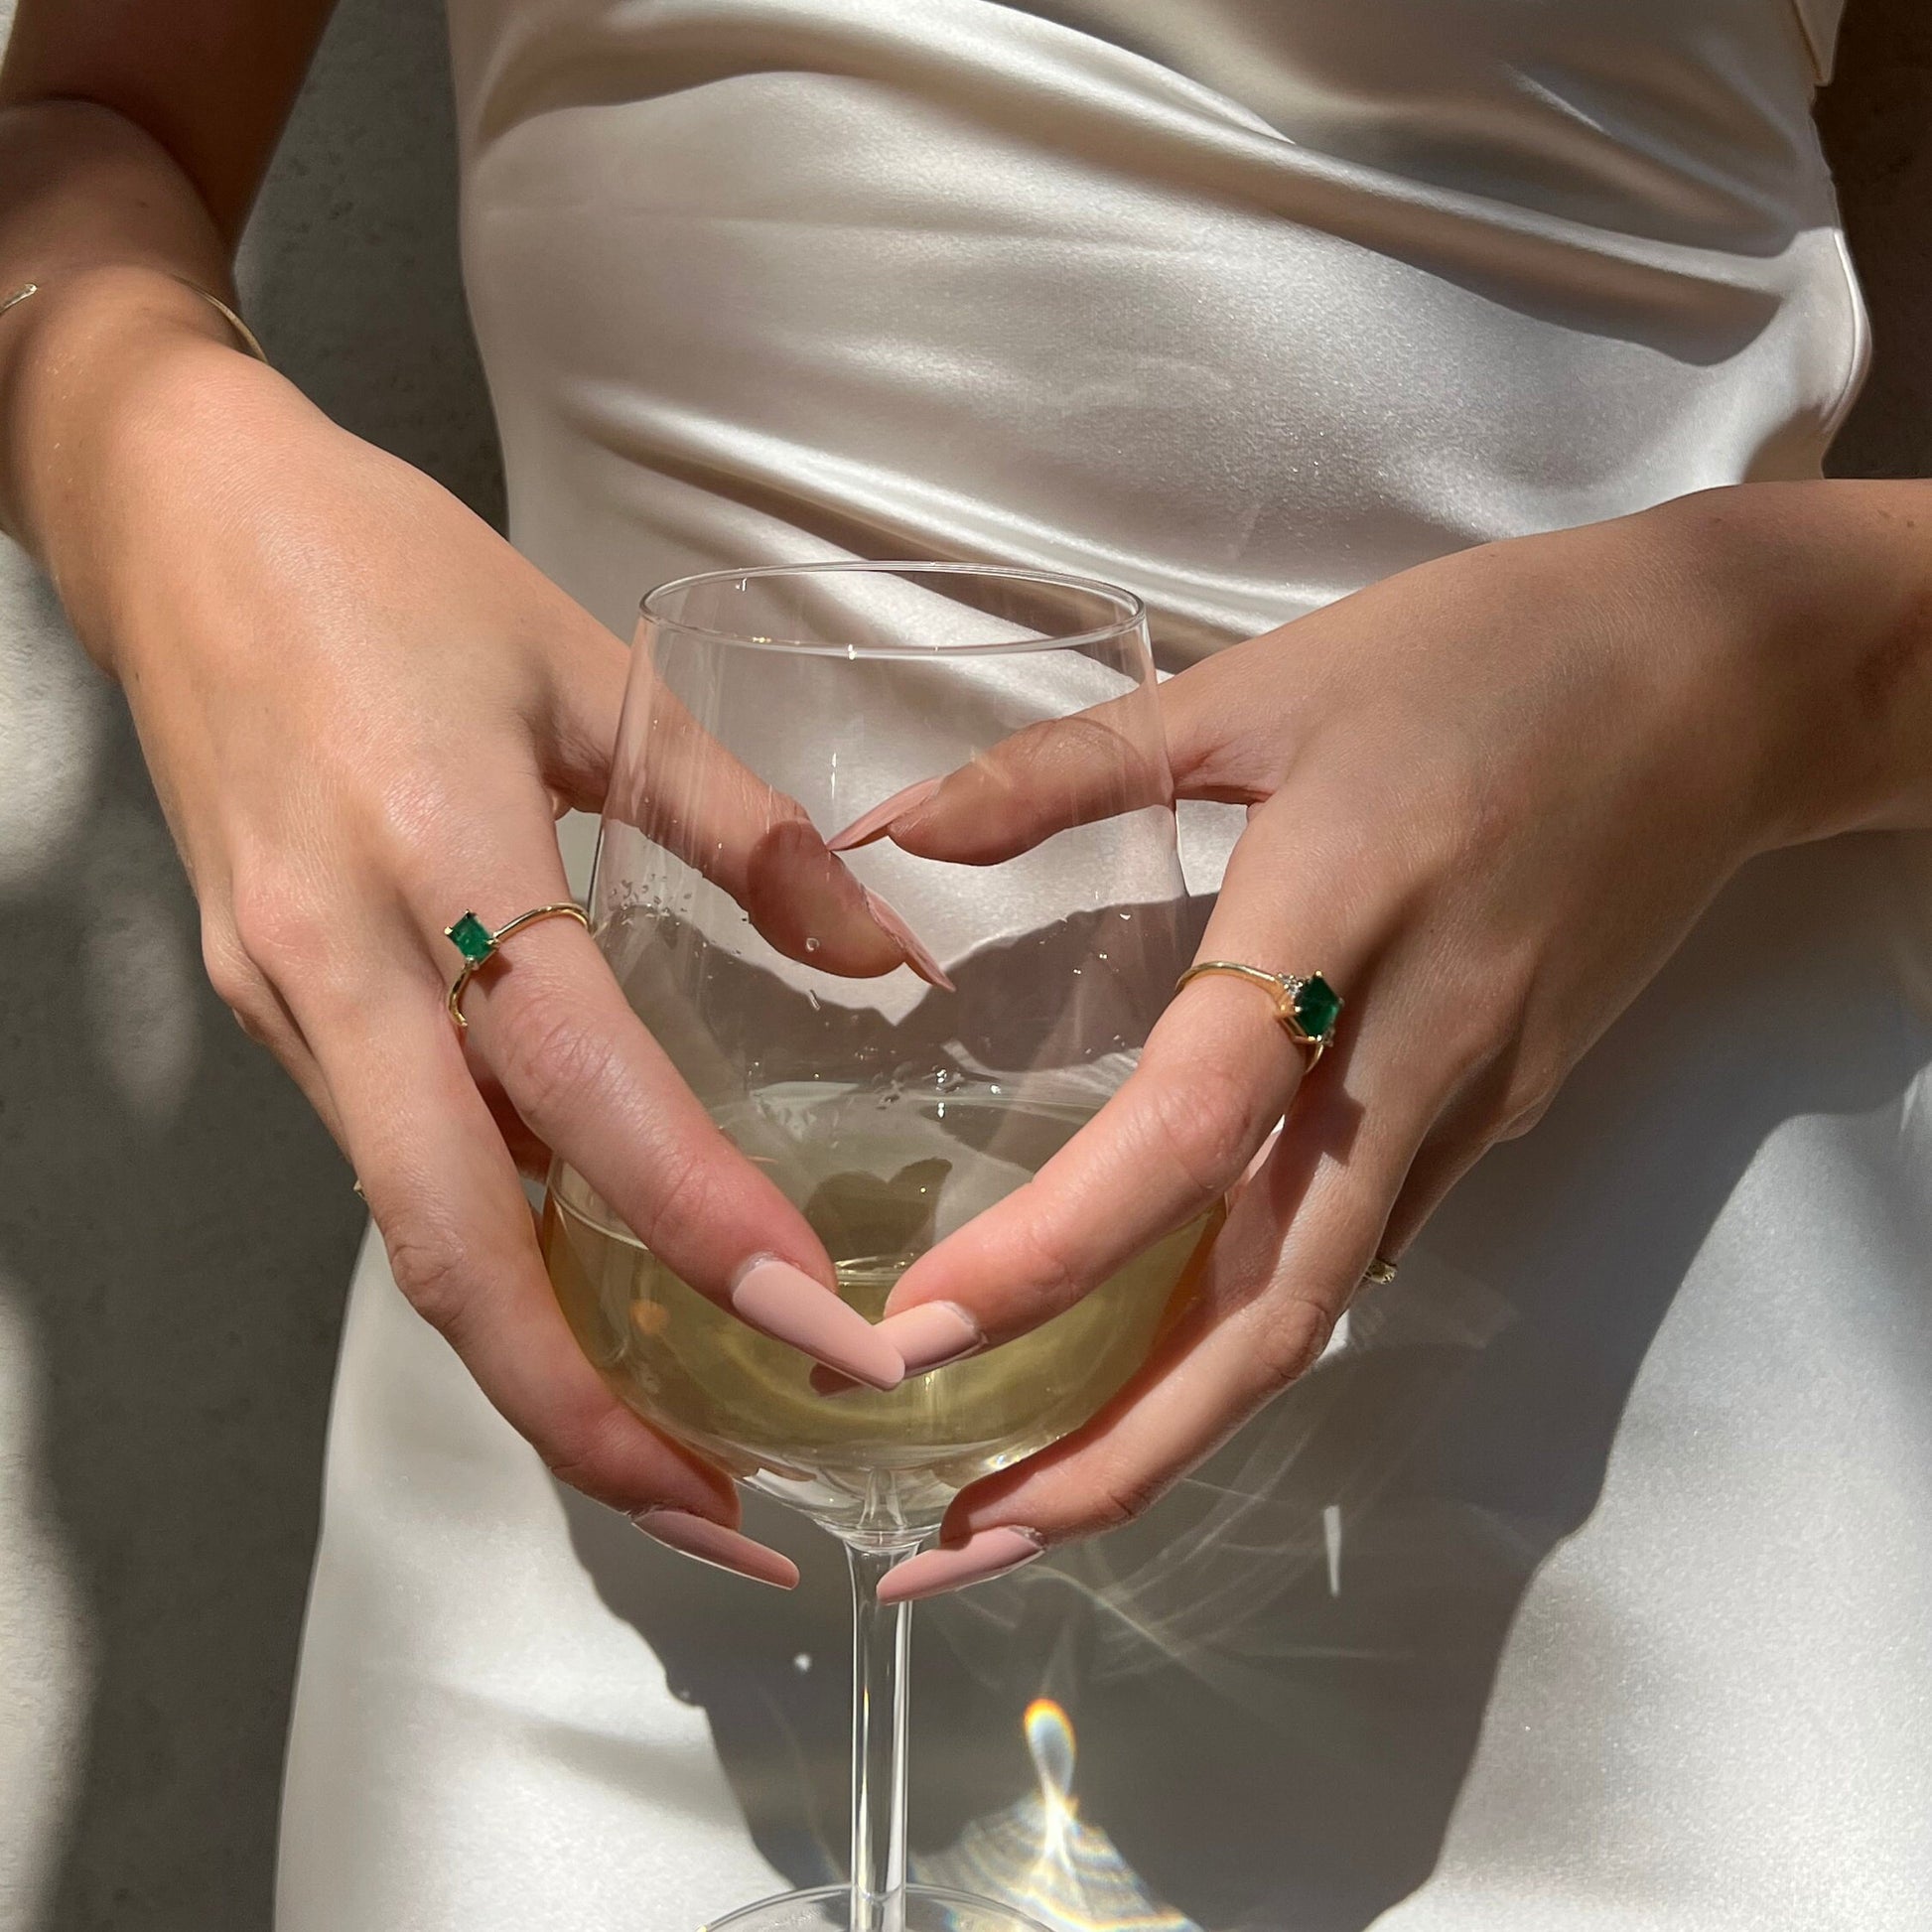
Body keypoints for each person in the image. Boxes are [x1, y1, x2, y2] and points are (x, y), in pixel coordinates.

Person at [3, 0, 1929, 1925]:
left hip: (1631, 1451)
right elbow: (82, 137)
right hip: (651, 1377)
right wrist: (182, 495)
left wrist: (1761, 661)